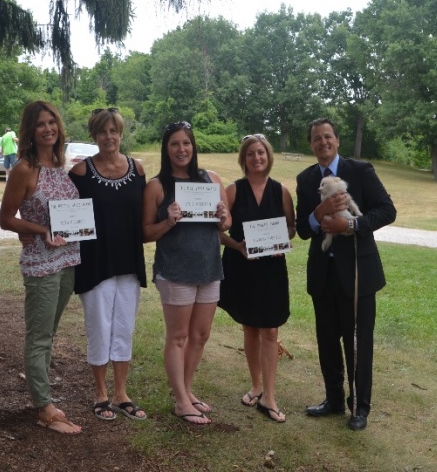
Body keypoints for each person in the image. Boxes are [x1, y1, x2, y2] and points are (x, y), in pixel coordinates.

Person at [295, 118, 396, 431]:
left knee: (358, 343)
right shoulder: (305, 178)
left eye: (327, 137)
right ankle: (334, 399)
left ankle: (359, 406)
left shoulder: (360, 171)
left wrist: (351, 225)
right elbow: (301, 229)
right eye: (316, 139)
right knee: (327, 340)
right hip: (323, 275)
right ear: (311, 145)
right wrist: (318, 214)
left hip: (358, 275)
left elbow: (387, 210)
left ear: (337, 140)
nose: (322, 143)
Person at [0, 101, 82, 435]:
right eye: (40, 124)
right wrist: (40, 231)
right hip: (41, 264)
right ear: (30, 131)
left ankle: (41, 389)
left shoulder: (60, 165)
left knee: (48, 334)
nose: (48, 129)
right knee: (39, 336)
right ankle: (45, 408)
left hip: (68, 260)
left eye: (52, 123)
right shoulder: (24, 168)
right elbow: (6, 219)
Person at [142, 121, 231, 425]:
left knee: (200, 335)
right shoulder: (158, 186)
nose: (181, 149)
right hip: (175, 271)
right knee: (178, 336)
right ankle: (181, 401)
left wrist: (223, 216)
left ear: (194, 147)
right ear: (166, 149)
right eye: (174, 144)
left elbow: (225, 224)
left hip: (209, 269)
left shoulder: (212, 179)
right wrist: (167, 221)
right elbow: (145, 233)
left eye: (186, 143)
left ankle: (187, 390)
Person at [68, 108, 148, 421]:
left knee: (124, 327)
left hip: (128, 261)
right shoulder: (80, 172)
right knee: (99, 328)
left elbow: (147, 214)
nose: (109, 137)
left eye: (114, 131)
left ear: (121, 133)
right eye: (102, 132)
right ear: (94, 135)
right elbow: (65, 216)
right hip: (95, 263)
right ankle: (101, 393)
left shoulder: (137, 169)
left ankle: (121, 392)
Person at [218, 134, 296, 423]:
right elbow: (218, 230)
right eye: (250, 154)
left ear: (268, 155)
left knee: (270, 331)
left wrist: (280, 243)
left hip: (272, 270)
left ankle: (270, 397)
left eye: (261, 152)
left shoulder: (282, 192)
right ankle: (256, 385)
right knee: (249, 327)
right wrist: (238, 246)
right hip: (243, 268)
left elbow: (291, 227)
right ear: (244, 158)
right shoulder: (233, 190)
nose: (256, 158)